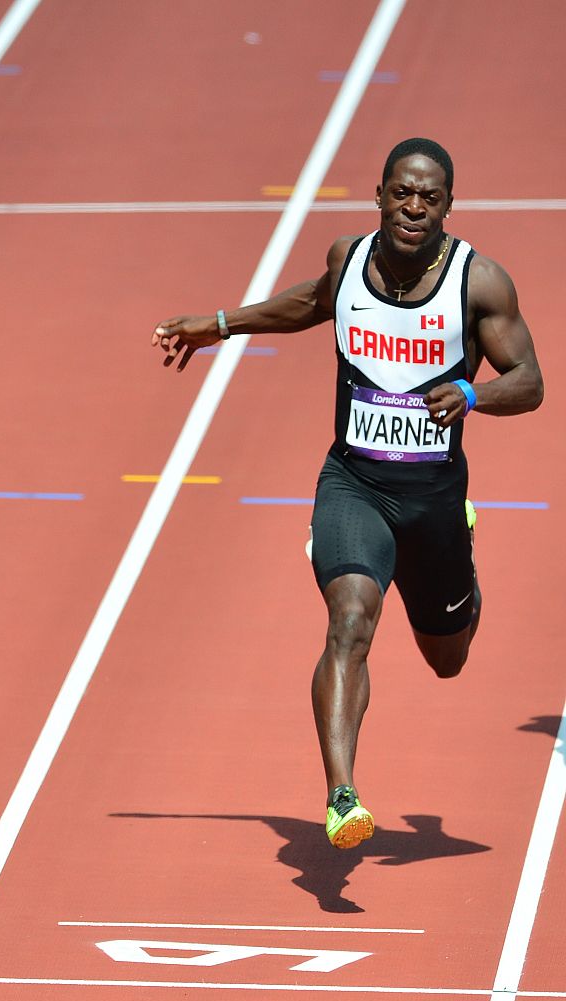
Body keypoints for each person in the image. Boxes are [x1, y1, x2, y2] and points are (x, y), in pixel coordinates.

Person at [151, 137, 543, 850]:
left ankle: (466, 543)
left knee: (446, 659)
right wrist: (218, 326)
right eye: (401, 192)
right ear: (380, 195)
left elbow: (531, 383)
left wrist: (472, 393)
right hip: (354, 483)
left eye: (429, 197)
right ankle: (342, 794)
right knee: (350, 621)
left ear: (448, 208)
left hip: (434, 499)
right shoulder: (349, 259)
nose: (413, 207)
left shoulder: (480, 283)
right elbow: (311, 302)